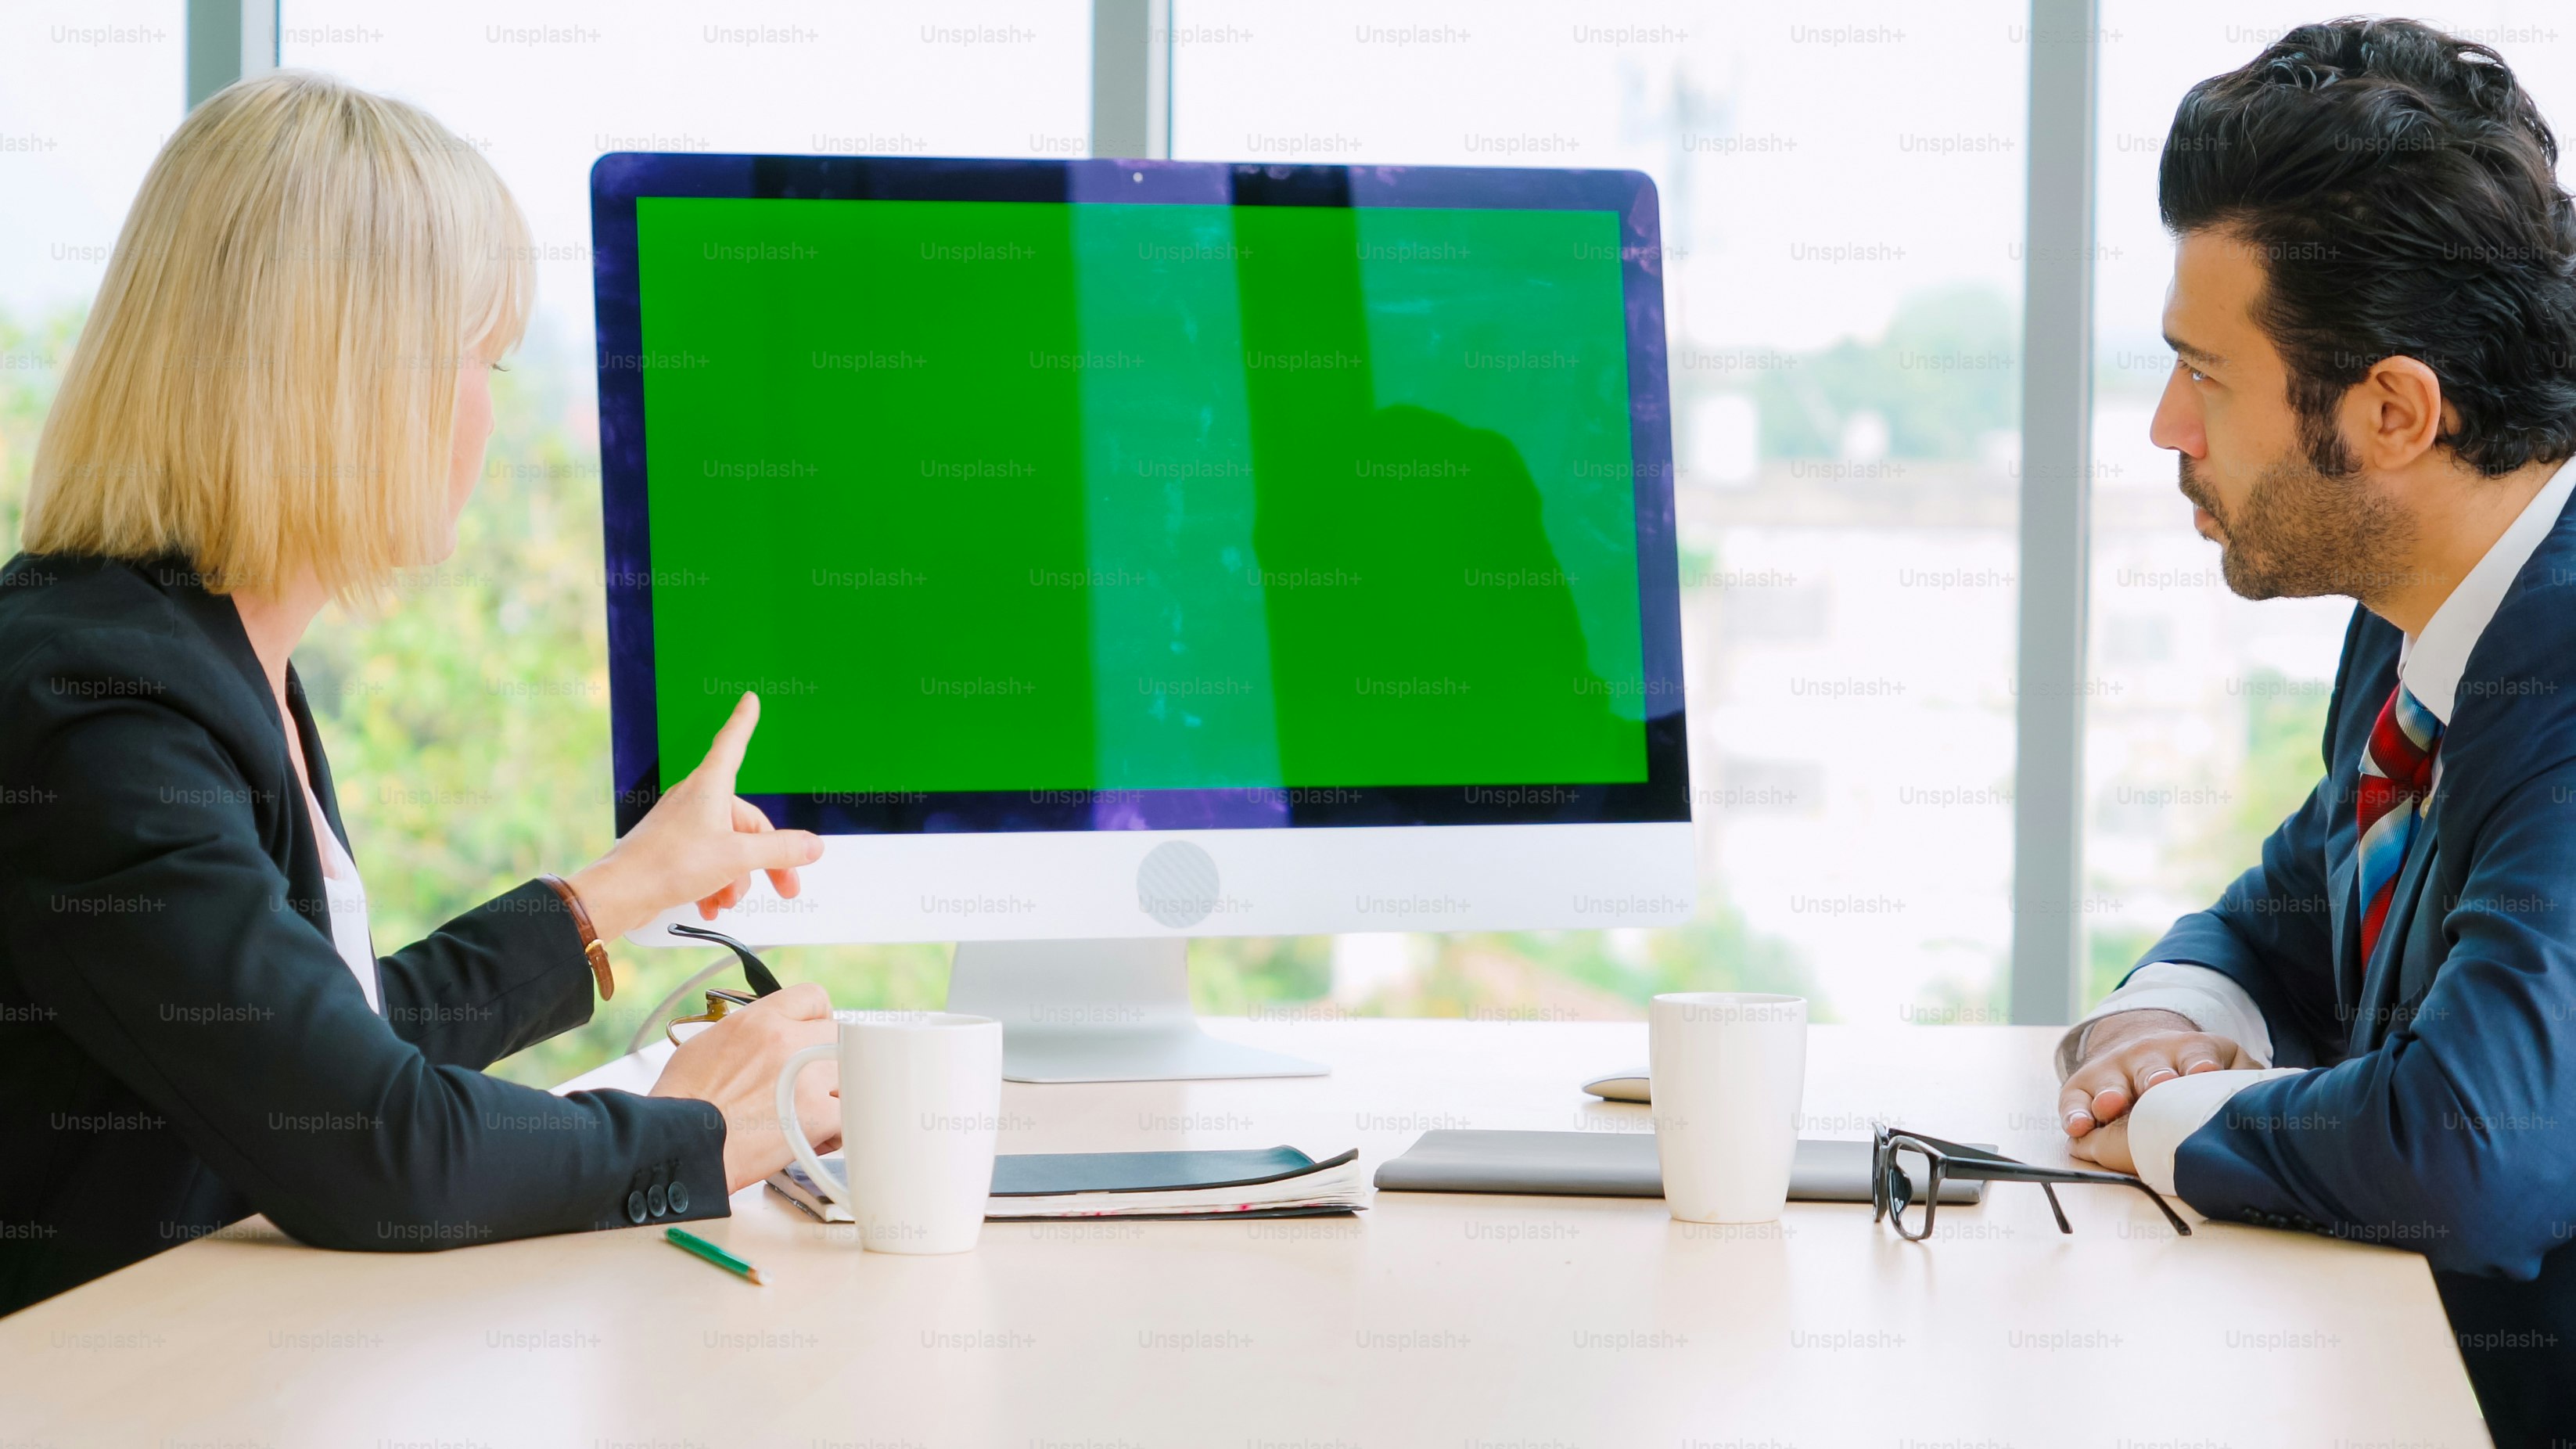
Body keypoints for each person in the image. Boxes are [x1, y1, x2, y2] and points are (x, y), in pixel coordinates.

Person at [0, 72, 842, 1314]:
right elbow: (371, 1145)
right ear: (346, 379)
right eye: (480, 362)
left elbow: (306, 1046)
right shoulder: (98, 708)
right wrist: (693, 1132)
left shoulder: (199, 657)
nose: (487, 415)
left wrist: (612, 895)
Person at [2052, 19, 2576, 1443]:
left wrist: (2160, 1124)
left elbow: (2474, 1155)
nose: (2167, 427)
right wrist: (2162, 1025)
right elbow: (2287, 920)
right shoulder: (2425, 618)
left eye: (2207, 375)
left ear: (2393, 411)